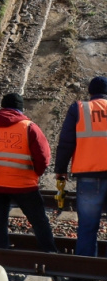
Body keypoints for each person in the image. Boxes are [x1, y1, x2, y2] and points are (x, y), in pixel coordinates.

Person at [0, 93, 57, 252]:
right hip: (24, 183)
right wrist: (36, 173)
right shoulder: (29, 127)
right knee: (38, 219)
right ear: (20, 108)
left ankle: (1, 250)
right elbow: (43, 157)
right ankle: (49, 251)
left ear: (2, 106)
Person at [54, 75, 107, 256]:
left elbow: (66, 142)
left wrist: (61, 170)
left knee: (87, 226)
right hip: (91, 174)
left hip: (89, 175)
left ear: (90, 92)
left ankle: (86, 267)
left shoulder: (80, 109)